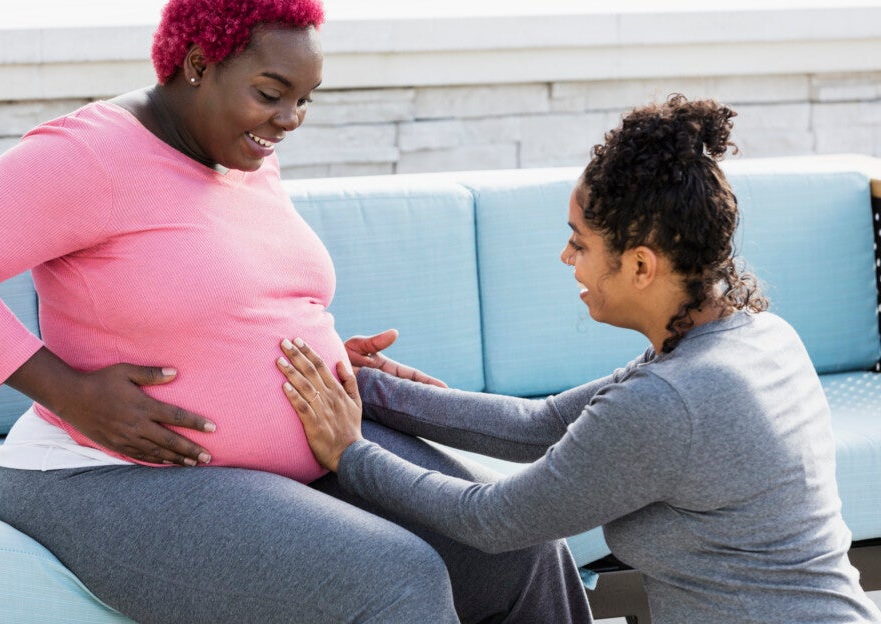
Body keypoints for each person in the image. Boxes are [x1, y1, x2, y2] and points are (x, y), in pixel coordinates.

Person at [0, 0, 594, 622]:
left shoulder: (238, 152)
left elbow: (229, 295)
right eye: (271, 93)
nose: (289, 120)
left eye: (305, 99)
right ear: (198, 63)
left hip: (300, 457)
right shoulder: (91, 154)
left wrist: (318, 353)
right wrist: (71, 393)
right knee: (394, 580)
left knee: (518, 544)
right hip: (108, 477)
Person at [277, 95, 881, 624]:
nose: (567, 258)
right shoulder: (756, 337)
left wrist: (351, 454)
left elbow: (491, 521)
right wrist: (368, 386)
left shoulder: (669, 401)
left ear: (641, 265)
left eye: (581, 242)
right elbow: (535, 425)